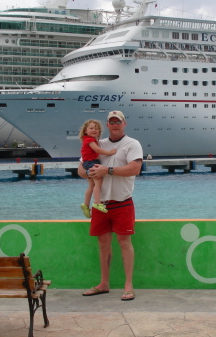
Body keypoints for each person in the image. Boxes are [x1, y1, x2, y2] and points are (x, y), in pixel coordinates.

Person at [79, 110, 143, 301]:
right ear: (107, 125)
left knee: (125, 242)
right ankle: (104, 284)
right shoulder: (98, 144)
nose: (115, 125)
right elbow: (81, 170)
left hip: (122, 202)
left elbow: (135, 168)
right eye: (111, 122)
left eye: (118, 122)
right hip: (101, 204)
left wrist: (108, 170)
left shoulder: (132, 144)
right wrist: (92, 172)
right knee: (103, 244)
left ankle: (128, 285)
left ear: (124, 123)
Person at [79, 119, 117, 218]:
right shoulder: (90, 140)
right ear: (85, 131)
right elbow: (98, 150)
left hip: (87, 163)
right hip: (92, 163)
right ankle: (97, 202)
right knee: (98, 184)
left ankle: (86, 205)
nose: (94, 130)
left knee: (91, 186)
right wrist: (110, 153)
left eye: (96, 129)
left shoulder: (86, 140)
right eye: (91, 128)